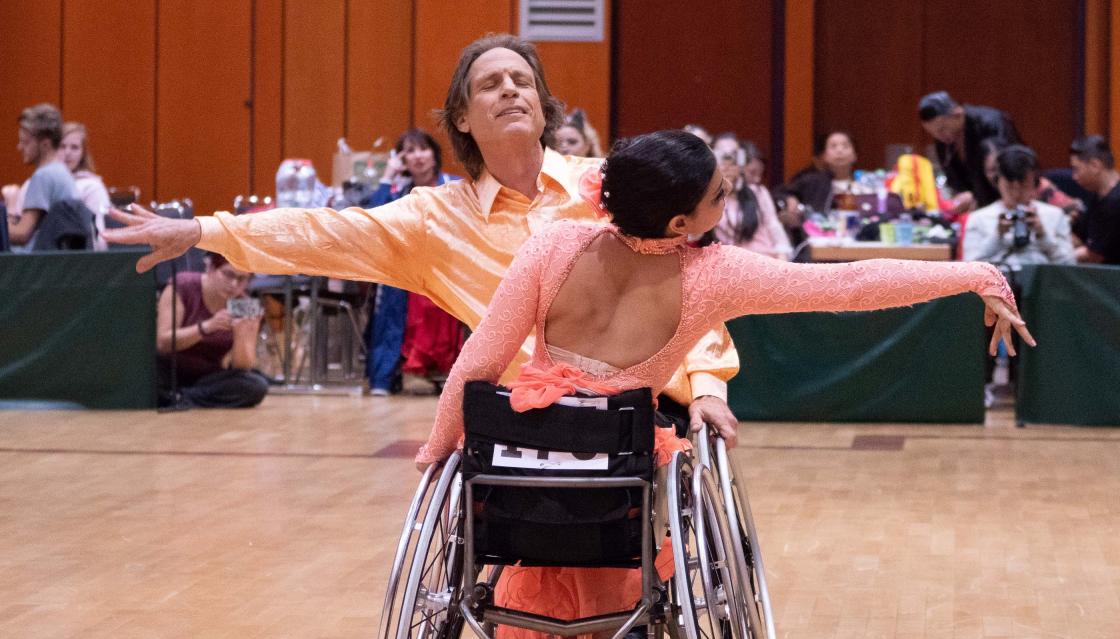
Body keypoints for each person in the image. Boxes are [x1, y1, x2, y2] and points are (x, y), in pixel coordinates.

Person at [415, 129, 1033, 639]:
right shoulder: (714, 276)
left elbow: (476, 365)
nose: (731, 191)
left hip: (528, 460)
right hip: (618, 468)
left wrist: (438, 447)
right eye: (720, 192)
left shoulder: (553, 244)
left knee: (560, 468)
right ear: (681, 221)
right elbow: (852, 285)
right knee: (641, 471)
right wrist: (975, 275)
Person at [106, 34, 740, 441]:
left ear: (546, 108)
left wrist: (709, 388)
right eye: (490, 84)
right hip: (527, 419)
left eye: (522, 81)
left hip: (647, 409)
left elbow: (687, 287)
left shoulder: (608, 189)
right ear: (462, 118)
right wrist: (203, 229)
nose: (510, 90)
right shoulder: (433, 219)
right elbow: (323, 232)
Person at [365, 128, 461, 395]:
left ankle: (452, 376)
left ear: (434, 153)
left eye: (423, 148)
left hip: (449, 267)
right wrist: (387, 176)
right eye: (409, 150)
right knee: (393, 304)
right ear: (401, 159)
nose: (417, 156)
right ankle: (390, 376)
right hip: (405, 269)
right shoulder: (397, 191)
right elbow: (372, 218)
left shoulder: (453, 185)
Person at [156, 253, 269, 408]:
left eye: (242, 279)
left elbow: (242, 367)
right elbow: (163, 342)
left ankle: (179, 398)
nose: (234, 284)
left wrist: (241, 335)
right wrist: (207, 326)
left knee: (256, 385)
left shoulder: (245, 304)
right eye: (228, 274)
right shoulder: (182, 284)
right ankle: (184, 398)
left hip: (207, 376)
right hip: (169, 370)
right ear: (210, 268)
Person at [964, 144, 1075, 271]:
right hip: (997, 287)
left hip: (1043, 286)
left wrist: (1043, 235)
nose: (1016, 193)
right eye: (1009, 186)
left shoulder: (1055, 215)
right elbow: (970, 270)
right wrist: (997, 235)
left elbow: (1069, 266)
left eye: (1023, 186)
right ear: (997, 181)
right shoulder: (978, 218)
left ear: (1035, 183)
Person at [918, 91, 1021, 215]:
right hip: (978, 208)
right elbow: (954, 179)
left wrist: (976, 195)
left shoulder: (991, 122)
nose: (939, 136)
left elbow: (1008, 170)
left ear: (958, 114)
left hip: (1007, 200)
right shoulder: (945, 138)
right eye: (933, 133)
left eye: (942, 129)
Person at [1069, 135, 1120, 267]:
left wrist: (1056, 256)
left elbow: (1093, 255)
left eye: (1076, 169)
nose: (1074, 177)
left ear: (1095, 166)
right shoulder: (1096, 196)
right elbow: (1079, 238)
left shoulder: (1119, 201)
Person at [6, 103, 78, 252]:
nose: (19, 147)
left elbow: (22, 234)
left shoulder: (44, 176)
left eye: (25, 142)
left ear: (45, 144)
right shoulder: (61, 172)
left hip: (34, 267)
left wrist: (9, 215)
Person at [711, 132, 792, 260]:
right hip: (731, 268)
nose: (728, 163)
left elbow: (774, 227)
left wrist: (783, 261)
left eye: (733, 156)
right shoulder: (707, 198)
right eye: (722, 156)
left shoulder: (758, 192)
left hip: (766, 262)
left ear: (742, 161)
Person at [777, 130, 868, 216]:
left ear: (855, 155)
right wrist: (789, 199)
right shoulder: (812, 181)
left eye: (845, 146)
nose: (839, 150)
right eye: (833, 146)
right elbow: (778, 194)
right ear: (824, 156)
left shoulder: (866, 183)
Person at [59, 121, 112, 249]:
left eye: (74, 147)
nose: (67, 152)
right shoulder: (41, 181)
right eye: (62, 146)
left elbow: (98, 239)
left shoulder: (91, 187)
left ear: (83, 153)